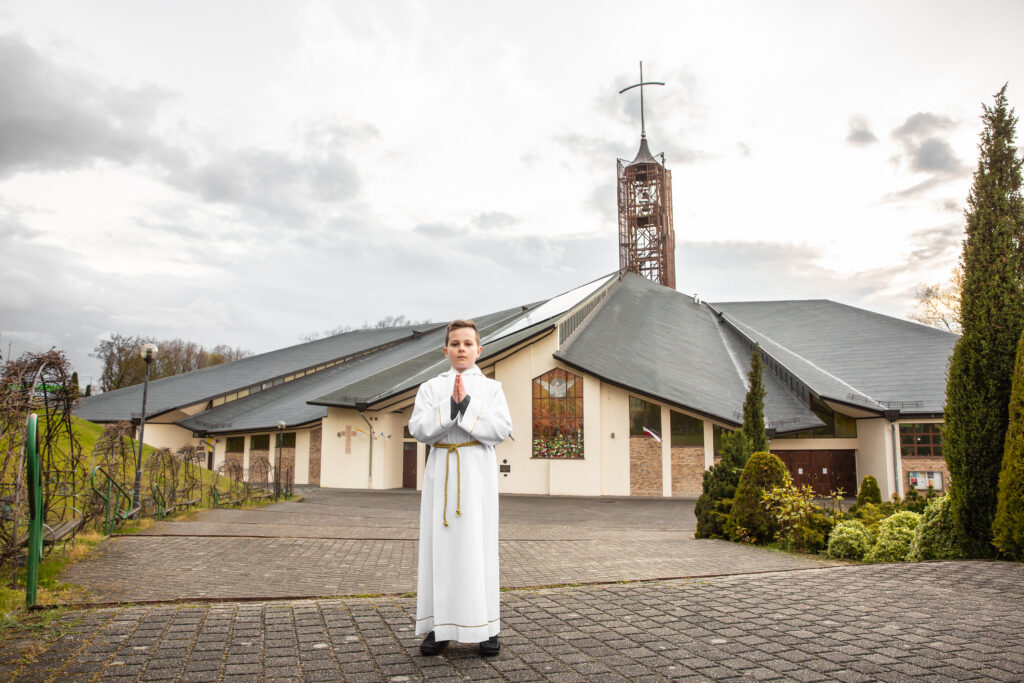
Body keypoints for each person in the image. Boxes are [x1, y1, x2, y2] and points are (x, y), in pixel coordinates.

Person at [409, 319, 513, 657]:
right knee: (441, 551)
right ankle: (439, 628)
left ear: (479, 349)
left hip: (476, 473)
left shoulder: (492, 388)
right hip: (441, 471)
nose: (462, 349)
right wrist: (450, 405)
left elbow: (500, 430)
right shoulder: (429, 388)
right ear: (446, 350)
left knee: (478, 548)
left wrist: (467, 404)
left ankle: (485, 627)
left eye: (468, 343)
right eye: (455, 343)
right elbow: (419, 429)